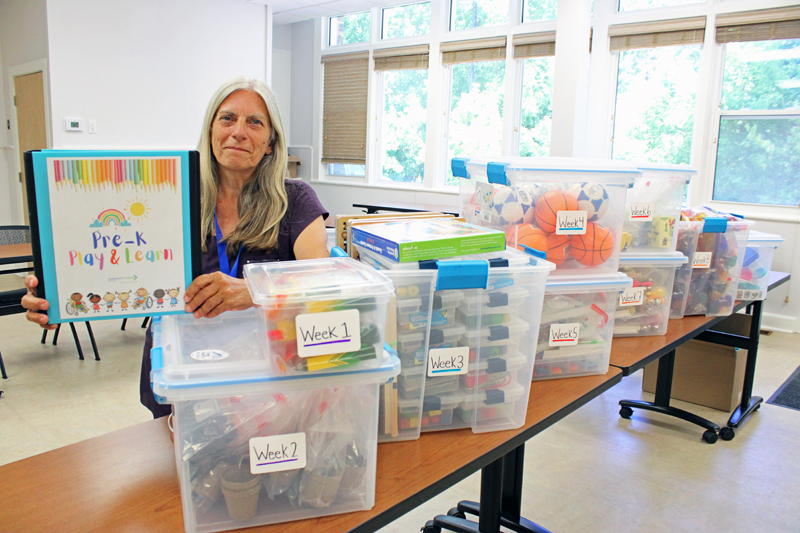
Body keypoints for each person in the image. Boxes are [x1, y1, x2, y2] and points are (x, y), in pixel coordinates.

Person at [22, 76, 330, 418]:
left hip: (264, 378)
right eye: (227, 118)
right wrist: (59, 291)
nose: (239, 131)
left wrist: (253, 291)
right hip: (180, 369)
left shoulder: (296, 201)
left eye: (255, 122)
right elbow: (116, 254)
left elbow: (323, 284)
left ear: (271, 142)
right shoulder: (169, 194)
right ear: (211, 130)